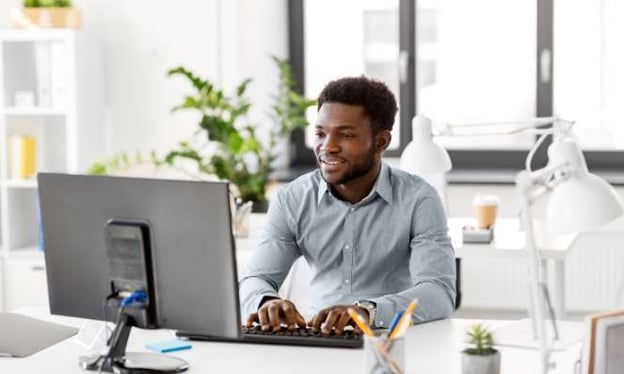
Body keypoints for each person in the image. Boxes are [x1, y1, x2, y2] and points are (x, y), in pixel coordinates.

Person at [239, 76, 455, 335]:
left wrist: (366, 311)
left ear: (381, 142)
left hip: (392, 340)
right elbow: (255, 279)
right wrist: (266, 301)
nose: (327, 147)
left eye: (346, 135)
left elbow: (438, 293)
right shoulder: (292, 199)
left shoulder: (419, 199)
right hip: (318, 340)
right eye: (320, 133)